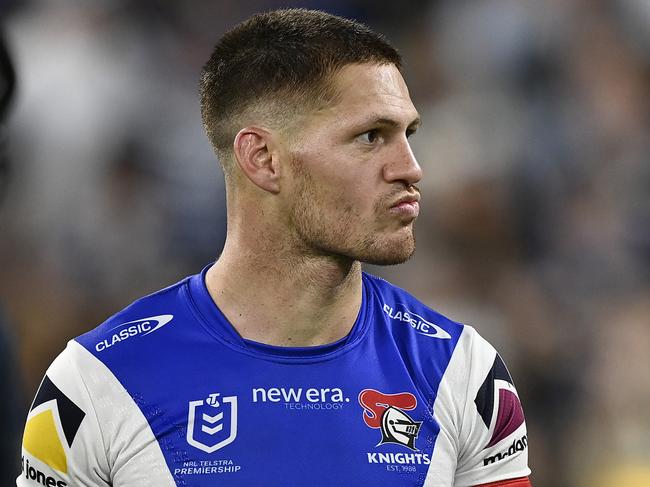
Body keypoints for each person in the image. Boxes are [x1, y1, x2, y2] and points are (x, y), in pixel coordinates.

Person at [17, 9, 531, 487]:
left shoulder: (463, 375)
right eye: (371, 137)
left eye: (408, 134)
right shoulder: (95, 386)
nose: (411, 168)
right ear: (262, 158)